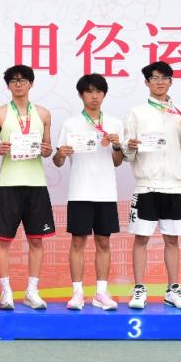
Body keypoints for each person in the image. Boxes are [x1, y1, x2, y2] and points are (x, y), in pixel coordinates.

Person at [122, 61, 181, 309]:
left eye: (164, 78)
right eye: (154, 78)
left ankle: (173, 290)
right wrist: (129, 147)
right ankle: (139, 289)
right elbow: (127, 152)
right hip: (146, 186)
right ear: (147, 82)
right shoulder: (137, 113)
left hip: (173, 186)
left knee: (172, 239)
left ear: (171, 81)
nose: (160, 82)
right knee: (141, 238)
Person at [0, 65, 54, 309]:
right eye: (13, 81)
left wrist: (46, 149)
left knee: (36, 241)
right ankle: (6, 292)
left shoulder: (43, 114)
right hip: (9, 184)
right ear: (8, 85)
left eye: (23, 80)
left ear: (31, 84)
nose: (18, 84)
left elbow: (47, 149)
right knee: (3, 240)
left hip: (36, 184)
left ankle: (32, 291)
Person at [53, 74, 125, 311]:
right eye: (89, 92)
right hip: (80, 191)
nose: (94, 96)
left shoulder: (114, 123)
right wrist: (61, 153)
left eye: (98, 92)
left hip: (106, 192)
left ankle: (101, 293)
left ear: (104, 94)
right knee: (78, 242)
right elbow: (57, 162)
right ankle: (77, 293)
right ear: (81, 95)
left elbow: (117, 161)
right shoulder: (70, 124)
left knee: (104, 242)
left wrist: (117, 145)